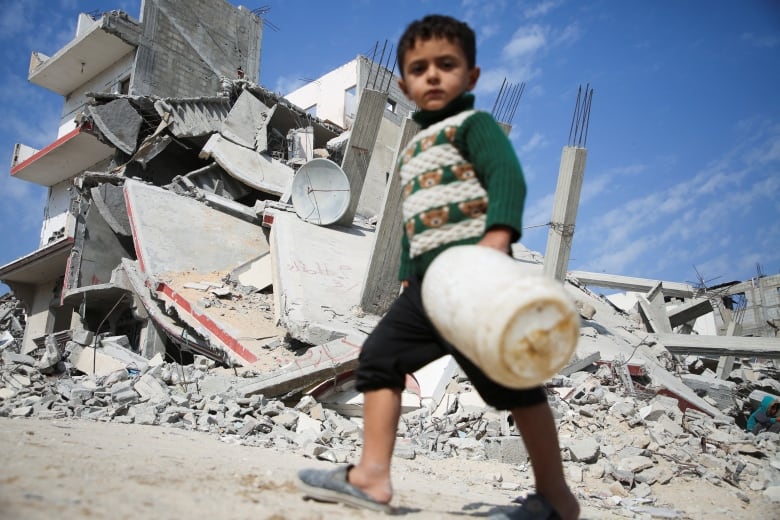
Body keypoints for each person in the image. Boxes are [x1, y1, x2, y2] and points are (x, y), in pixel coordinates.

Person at [298, 14, 579, 519]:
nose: (432, 75)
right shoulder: (414, 152)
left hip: (476, 278)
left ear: (470, 77)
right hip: (427, 289)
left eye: (446, 65)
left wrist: (496, 240)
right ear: (405, 85)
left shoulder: (476, 128)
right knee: (380, 358)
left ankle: (556, 499)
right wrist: (408, 273)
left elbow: (507, 180)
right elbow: (413, 219)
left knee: (513, 386)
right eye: (419, 68)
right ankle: (372, 477)